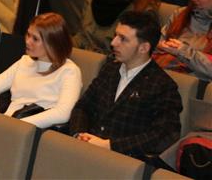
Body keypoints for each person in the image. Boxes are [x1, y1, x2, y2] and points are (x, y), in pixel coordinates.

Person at [69, 11, 182, 163]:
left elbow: (164, 135)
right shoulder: (110, 69)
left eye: (123, 39)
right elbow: (83, 106)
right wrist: (79, 134)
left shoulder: (162, 85)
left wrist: (111, 146)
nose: (113, 43)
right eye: (116, 35)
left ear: (143, 48)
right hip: (86, 149)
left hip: (124, 161)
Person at [0, 13, 81, 128]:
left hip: (33, 130)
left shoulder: (69, 71)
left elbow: (63, 113)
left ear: (52, 43)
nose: (27, 41)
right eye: (28, 34)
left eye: (35, 39)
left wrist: (18, 124)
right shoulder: (25, 61)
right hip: (7, 124)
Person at [154, 0, 212, 81]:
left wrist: (182, 50)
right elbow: (158, 42)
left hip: (193, 83)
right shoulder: (181, 13)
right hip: (163, 74)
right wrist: (160, 46)